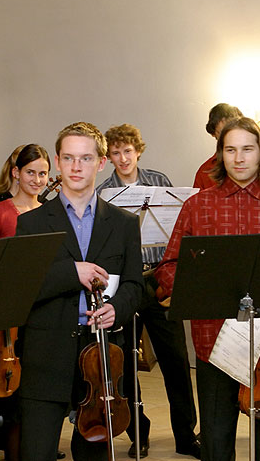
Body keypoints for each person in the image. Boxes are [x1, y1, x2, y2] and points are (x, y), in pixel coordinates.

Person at [155, 117, 260, 461]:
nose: (239, 158)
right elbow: (168, 268)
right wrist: (197, 285)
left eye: (247, 149)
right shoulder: (197, 206)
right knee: (216, 439)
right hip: (214, 340)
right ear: (220, 156)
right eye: (230, 150)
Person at [15, 122, 143, 461]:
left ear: (101, 163)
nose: (76, 167)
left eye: (85, 158)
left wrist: (118, 307)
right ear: (57, 161)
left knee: (94, 455)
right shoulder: (31, 223)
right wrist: (72, 273)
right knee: (36, 453)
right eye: (69, 158)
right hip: (46, 356)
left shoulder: (124, 223)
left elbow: (134, 285)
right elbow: (22, 287)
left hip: (101, 361)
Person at [95, 123, 200, 459]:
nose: (123, 158)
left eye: (128, 151)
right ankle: (137, 430)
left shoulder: (160, 182)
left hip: (159, 279)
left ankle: (186, 434)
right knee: (123, 361)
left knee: (176, 360)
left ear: (138, 151)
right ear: (108, 156)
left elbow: (177, 232)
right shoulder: (104, 193)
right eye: (115, 152)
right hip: (126, 282)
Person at [0, 143, 50, 461]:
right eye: (30, 173)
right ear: (16, 173)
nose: (37, 180)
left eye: (43, 173)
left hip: (44, 311)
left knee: (38, 392)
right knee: (12, 396)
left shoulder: (51, 212)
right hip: (11, 315)